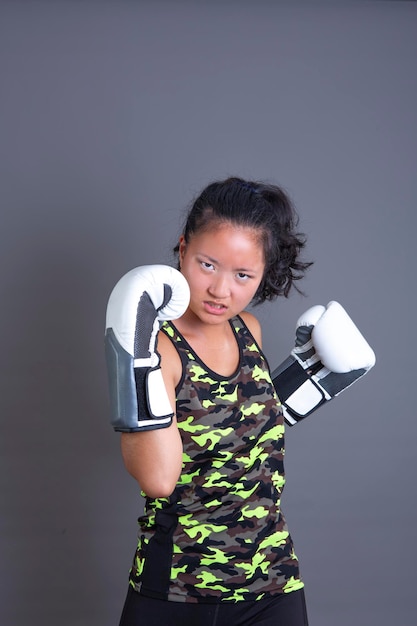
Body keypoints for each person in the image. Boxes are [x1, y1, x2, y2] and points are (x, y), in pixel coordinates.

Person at [116, 176, 312, 626]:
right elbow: (159, 480)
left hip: (273, 579)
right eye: (208, 264)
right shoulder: (157, 347)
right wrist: (131, 359)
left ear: (262, 275)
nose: (221, 290)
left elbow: (253, 441)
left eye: (243, 275)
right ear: (183, 249)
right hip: (178, 588)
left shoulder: (250, 331)